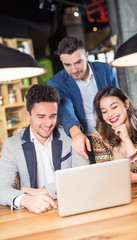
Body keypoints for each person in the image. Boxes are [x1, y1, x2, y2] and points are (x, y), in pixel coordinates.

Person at [0, 84, 89, 214]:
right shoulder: (12, 145)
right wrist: (26, 200)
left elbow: (84, 177)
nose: (48, 123)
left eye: (52, 116)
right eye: (41, 117)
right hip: (34, 213)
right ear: (28, 115)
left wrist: (44, 191)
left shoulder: (71, 137)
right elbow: (1, 188)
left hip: (73, 207)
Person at [48, 36, 119, 163]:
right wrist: (75, 133)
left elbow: (118, 101)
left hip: (114, 133)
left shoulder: (104, 70)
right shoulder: (56, 82)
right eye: (67, 65)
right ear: (61, 60)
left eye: (78, 62)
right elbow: (65, 108)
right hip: (86, 140)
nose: (74, 70)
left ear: (86, 56)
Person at [91, 86, 137, 183]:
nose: (110, 114)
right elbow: (106, 175)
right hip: (116, 192)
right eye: (104, 111)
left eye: (114, 107)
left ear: (126, 104)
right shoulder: (98, 134)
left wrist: (127, 140)